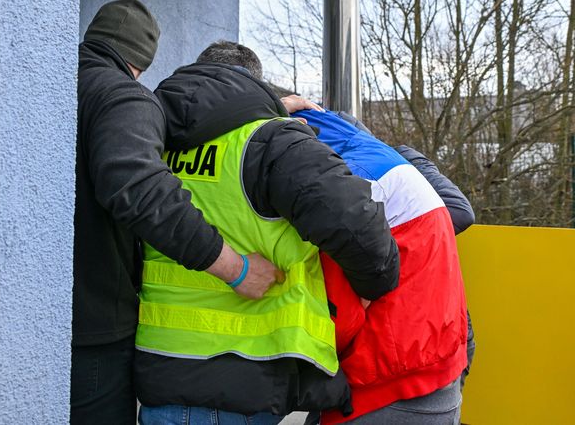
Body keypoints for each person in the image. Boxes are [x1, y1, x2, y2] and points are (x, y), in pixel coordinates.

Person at [134, 42, 401, 424]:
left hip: (159, 369)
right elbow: (359, 228)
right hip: (242, 379)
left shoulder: (149, 138)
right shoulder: (272, 142)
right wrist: (375, 284)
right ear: (253, 82)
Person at [72, 2, 282, 424]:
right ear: (142, 60)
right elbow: (141, 189)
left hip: (48, 314)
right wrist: (236, 268)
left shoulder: (56, 84)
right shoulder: (123, 97)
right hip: (96, 332)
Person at [291, 109, 471, 424]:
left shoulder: (346, 188)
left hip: (380, 383)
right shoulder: (394, 167)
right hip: (440, 364)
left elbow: (339, 318)